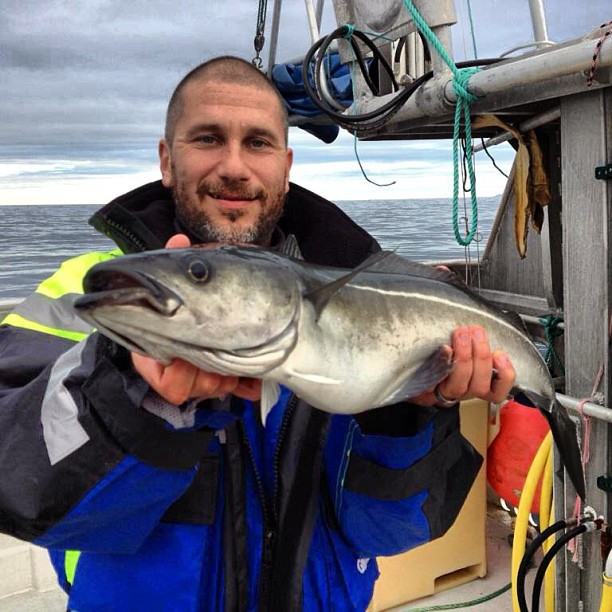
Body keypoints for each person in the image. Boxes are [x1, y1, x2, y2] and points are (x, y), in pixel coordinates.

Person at [0, 56, 515, 611]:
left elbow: (394, 531)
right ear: (167, 160)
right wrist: (129, 389)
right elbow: (16, 486)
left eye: (258, 143)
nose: (234, 166)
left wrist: (405, 408)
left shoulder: (367, 298)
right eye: (207, 138)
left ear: (285, 166)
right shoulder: (92, 294)